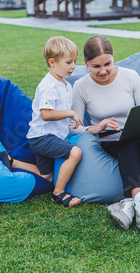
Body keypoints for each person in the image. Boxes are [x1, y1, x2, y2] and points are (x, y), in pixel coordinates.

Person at [71, 35, 140, 229]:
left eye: (107, 64)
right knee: (127, 142)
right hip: (111, 137)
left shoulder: (130, 76)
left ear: (114, 57)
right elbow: (73, 128)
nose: (103, 71)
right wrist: (94, 128)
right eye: (95, 66)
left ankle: (131, 203)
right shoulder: (80, 86)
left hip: (139, 131)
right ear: (85, 63)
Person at [27, 36, 84, 208]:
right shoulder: (49, 86)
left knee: (47, 178)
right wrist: (70, 113)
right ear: (52, 62)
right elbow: (46, 114)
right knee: (75, 153)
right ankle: (58, 193)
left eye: (74, 61)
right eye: (68, 62)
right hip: (43, 137)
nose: (73, 66)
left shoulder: (65, 84)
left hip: (42, 137)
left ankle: (13, 162)